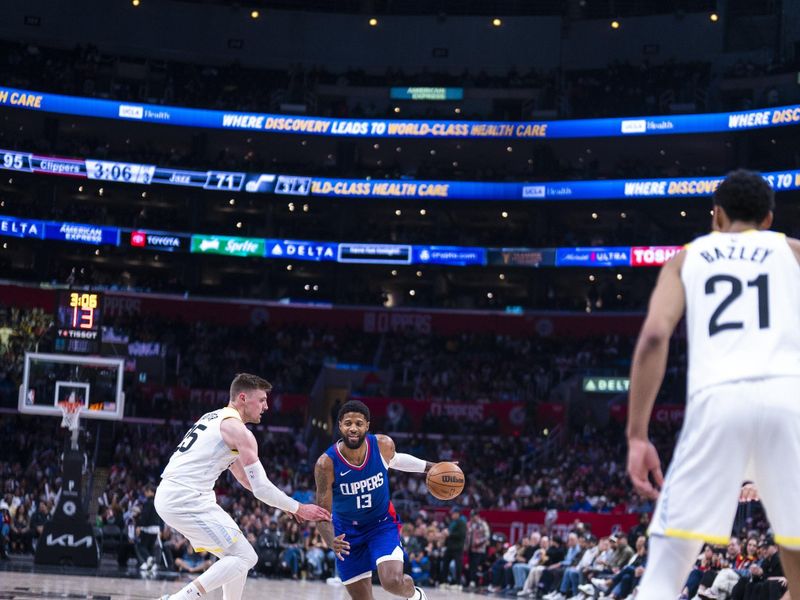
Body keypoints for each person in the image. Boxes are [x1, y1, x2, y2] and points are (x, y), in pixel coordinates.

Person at [626, 169, 800, 600]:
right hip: (789, 403)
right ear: (768, 219)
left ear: (716, 214)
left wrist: (637, 435)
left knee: (664, 576)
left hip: (717, 403)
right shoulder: (792, 251)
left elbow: (652, 337)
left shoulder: (688, 256)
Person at [155, 373, 331, 600]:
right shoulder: (240, 432)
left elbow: (246, 480)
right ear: (242, 398)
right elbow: (261, 488)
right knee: (247, 557)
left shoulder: (214, 418)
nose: (266, 406)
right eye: (262, 400)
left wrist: (286, 506)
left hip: (181, 494)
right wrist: (299, 507)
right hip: (185, 497)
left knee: (237, 554)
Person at [314, 399, 439, 600]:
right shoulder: (325, 464)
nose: (353, 428)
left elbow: (398, 460)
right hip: (346, 533)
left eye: (358, 423)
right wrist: (331, 540)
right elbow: (322, 513)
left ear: (367, 426)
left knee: (393, 582)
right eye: (348, 423)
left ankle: (416, 596)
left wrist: (433, 467)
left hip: (381, 524)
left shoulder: (382, 445)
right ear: (339, 426)